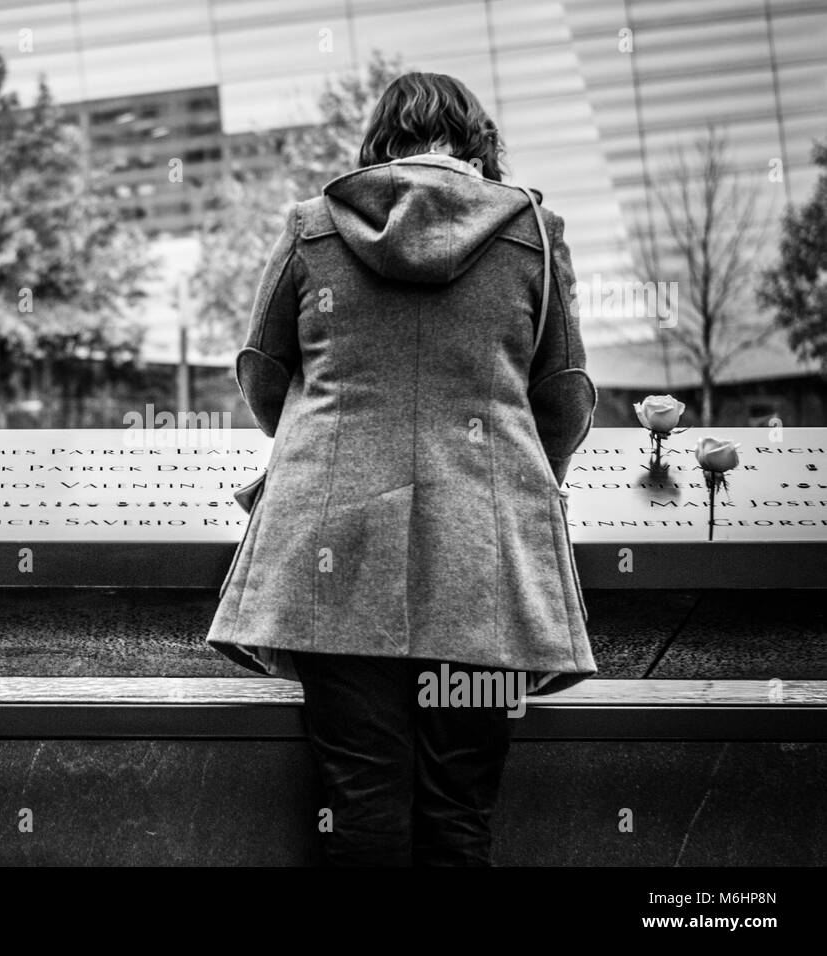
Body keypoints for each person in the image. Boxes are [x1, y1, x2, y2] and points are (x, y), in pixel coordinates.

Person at [206, 72, 598, 867]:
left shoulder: (313, 227)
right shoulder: (534, 232)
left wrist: (325, 446)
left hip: (332, 551)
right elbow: (562, 394)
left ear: (379, 138)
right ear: (477, 139)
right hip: (484, 560)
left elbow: (261, 370)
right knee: (459, 811)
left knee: (364, 802)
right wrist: (515, 475)